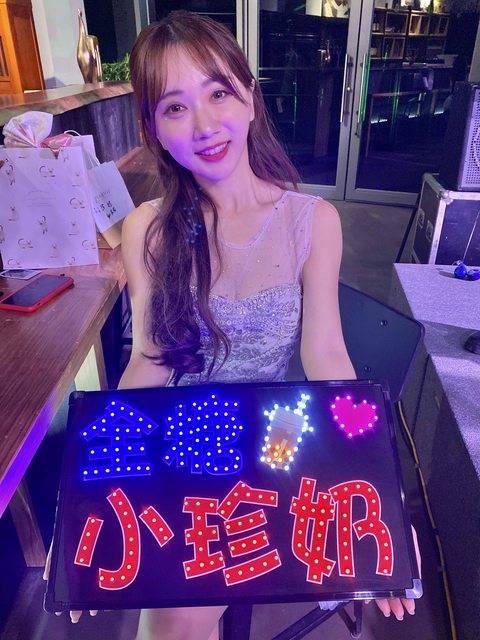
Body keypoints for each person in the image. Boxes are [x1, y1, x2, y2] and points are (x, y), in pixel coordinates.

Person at [44, 10, 419, 639]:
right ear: (154, 129)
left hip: (278, 451)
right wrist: (81, 505)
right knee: (170, 623)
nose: (204, 125)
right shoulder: (147, 229)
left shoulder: (312, 220)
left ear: (249, 97)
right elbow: (148, 363)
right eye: (175, 107)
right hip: (184, 452)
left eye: (218, 93)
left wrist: (383, 502)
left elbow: (327, 357)